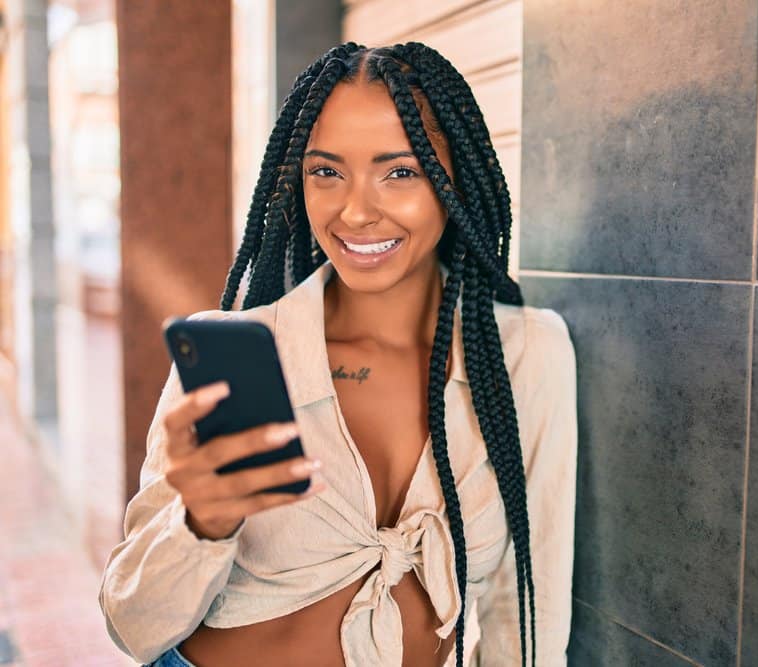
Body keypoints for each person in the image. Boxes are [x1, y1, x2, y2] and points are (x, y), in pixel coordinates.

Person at [98, 42, 578, 667]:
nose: (355, 210)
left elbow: (525, 606)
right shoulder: (243, 356)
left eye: (399, 172)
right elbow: (131, 627)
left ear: (455, 178)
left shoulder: (524, 355)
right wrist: (200, 522)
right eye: (326, 172)